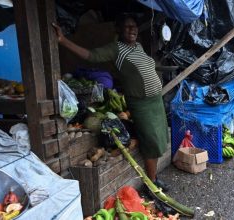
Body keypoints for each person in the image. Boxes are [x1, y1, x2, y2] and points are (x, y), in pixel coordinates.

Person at [52, 14, 170, 191]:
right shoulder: (116, 49)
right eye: (127, 27)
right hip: (142, 104)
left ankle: (154, 177)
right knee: (151, 141)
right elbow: (91, 56)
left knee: (160, 138)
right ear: (119, 30)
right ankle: (151, 184)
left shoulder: (138, 46)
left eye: (134, 26)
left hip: (156, 102)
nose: (132, 30)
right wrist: (63, 41)